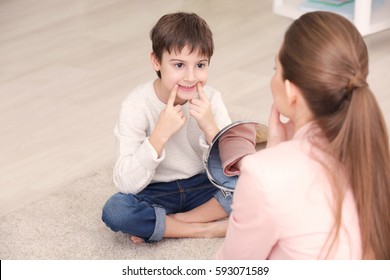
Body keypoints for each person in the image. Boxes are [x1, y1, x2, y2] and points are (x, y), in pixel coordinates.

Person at [216, 11, 390, 259]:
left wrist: (273, 156)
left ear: (290, 90)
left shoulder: (263, 173)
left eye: (276, 69)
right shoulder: (375, 154)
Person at [101, 12, 232, 244]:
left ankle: (175, 222)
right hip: (156, 191)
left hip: (203, 185)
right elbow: (125, 182)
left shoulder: (212, 98)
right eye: (179, 65)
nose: (191, 77)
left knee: (255, 182)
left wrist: (211, 129)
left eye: (200, 65)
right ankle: (203, 229)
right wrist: (159, 135)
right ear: (156, 61)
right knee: (116, 210)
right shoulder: (135, 106)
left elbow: (232, 169)